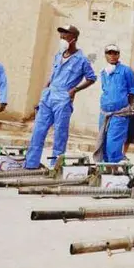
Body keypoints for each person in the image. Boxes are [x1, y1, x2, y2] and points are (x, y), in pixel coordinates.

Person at [24, 25, 96, 169]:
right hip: (49, 96)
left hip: (63, 98)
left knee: (60, 135)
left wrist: (74, 90)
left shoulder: (82, 60)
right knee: (38, 130)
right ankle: (31, 164)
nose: (62, 39)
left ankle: (55, 166)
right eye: (61, 36)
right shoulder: (58, 55)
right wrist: (45, 89)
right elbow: (53, 75)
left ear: (73, 39)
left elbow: (91, 78)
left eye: (65, 36)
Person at [98, 44, 134, 162]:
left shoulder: (126, 71)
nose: (112, 56)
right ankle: (104, 170)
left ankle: (113, 171)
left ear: (118, 55)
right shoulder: (104, 72)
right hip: (104, 114)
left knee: (113, 144)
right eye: (109, 53)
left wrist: (126, 106)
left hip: (119, 114)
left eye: (115, 53)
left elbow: (133, 91)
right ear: (105, 55)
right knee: (103, 143)